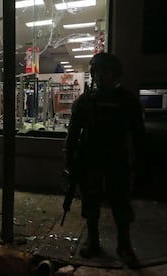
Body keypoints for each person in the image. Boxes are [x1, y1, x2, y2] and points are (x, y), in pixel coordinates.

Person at [63, 52, 145, 267]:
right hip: (90, 160)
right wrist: (69, 160)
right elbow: (73, 134)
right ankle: (93, 241)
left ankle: (124, 245)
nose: (100, 77)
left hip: (117, 160)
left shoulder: (127, 101)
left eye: (105, 72)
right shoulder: (86, 101)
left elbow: (139, 135)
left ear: (115, 74)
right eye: (96, 72)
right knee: (91, 203)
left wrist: (141, 162)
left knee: (120, 205)